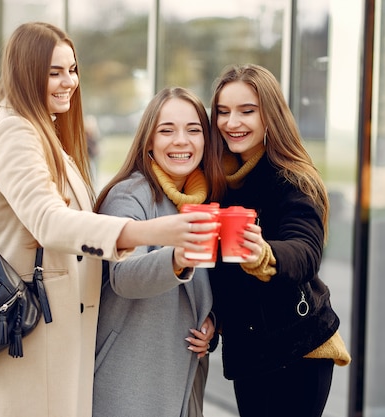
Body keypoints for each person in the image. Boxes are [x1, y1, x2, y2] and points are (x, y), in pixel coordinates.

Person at [0, 22, 217, 417]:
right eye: (54, 72)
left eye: (72, 69)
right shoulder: (16, 132)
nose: (70, 82)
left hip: (50, 333)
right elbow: (50, 221)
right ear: (26, 72)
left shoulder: (40, 132)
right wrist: (151, 233)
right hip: (32, 335)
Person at [208, 63, 351, 417]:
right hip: (251, 351)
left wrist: (264, 253)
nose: (232, 122)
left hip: (299, 350)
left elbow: (305, 250)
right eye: (223, 112)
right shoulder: (218, 181)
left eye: (247, 111)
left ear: (270, 116)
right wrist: (213, 320)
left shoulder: (294, 178)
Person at [92, 87, 226, 417]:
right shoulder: (130, 195)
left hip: (181, 380)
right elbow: (124, 275)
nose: (182, 140)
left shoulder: (200, 200)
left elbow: (198, 290)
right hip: (130, 382)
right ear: (148, 141)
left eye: (193, 130)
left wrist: (210, 322)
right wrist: (177, 258)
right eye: (167, 130)